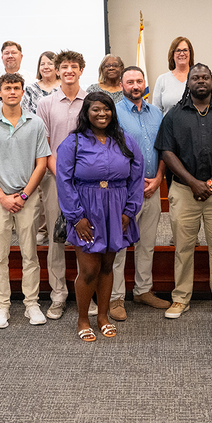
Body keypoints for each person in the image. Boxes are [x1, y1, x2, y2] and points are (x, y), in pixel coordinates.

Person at [155, 64, 212, 319]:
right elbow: (166, 152)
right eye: (195, 77)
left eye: (205, 77)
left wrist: (211, 182)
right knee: (183, 247)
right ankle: (180, 298)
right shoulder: (174, 115)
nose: (200, 81)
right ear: (189, 83)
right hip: (184, 190)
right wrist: (194, 182)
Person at [57, 93, 144, 341]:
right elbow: (64, 181)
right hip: (85, 209)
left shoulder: (125, 140)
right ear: (87, 112)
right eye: (96, 109)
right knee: (89, 268)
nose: (102, 114)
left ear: (112, 113)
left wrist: (129, 210)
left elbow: (136, 177)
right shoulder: (73, 142)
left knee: (107, 266)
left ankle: (103, 317)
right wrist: (76, 217)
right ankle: (83, 319)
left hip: (116, 209)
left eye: (106, 109)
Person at [0, 72, 51, 329]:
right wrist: (2, 196)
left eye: (17, 87)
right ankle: (2, 306)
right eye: (8, 88)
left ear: (22, 91)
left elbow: (41, 164)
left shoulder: (36, 123)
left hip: (27, 197)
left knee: (30, 254)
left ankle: (31, 304)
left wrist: (25, 195)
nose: (13, 92)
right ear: (0, 92)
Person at [36, 50, 88, 320]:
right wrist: (62, 176)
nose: (69, 70)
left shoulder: (91, 101)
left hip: (87, 182)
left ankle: (86, 294)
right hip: (55, 178)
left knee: (86, 238)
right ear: (57, 70)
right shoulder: (45, 104)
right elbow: (42, 145)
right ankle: (58, 295)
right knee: (57, 238)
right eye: (64, 66)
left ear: (81, 70)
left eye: (74, 66)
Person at [115, 66, 170, 313]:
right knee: (118, 246)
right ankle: (115, 297)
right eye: (130, 82)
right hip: (125, 191)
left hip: (153, 187)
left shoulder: (156, 113)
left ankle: (143, 291)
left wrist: (159, 177)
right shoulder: (113, 114)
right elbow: (111, 154)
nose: (135, 86)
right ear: (121, 85)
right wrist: (134, 183)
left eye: (139, 81)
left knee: (147, 243)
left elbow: (164, 148)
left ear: (144, 83)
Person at [152, 36, 193, 114]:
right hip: (168, 126)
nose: (182, 53)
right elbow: (156, 112)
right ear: (172, 54)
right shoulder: (162, 80)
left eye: (185, 50)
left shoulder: (197, 79)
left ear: (190, 53)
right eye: (178, 50)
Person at [22, 50, 58, 115]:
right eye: (42, 64)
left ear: (57, 67)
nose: (46, 67)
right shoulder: (31, 89)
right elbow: (24, 113)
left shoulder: (64, 87)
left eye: (50, 64)